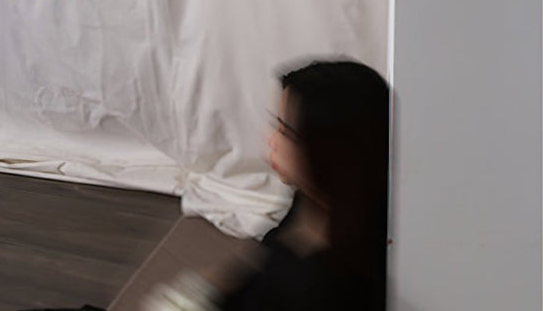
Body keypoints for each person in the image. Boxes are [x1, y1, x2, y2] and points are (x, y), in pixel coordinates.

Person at [145, 58, 390, 311]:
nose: (272, 141)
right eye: (277, 125)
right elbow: (263, 264)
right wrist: (211, 288)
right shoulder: (315, 199)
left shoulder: (322, 285)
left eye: (286, 133)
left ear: (328, 152)